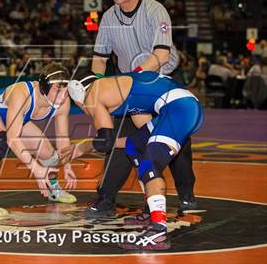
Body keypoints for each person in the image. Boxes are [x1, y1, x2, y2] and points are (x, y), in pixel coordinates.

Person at [89, 0, 197, 218]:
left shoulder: (155, 10)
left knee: (174, 139)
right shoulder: (107, 17)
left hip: (162, 80)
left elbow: (161, 54)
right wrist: (95, 84)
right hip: (129, 86)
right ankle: (105, 198)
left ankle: (186, 194)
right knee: (120, 136)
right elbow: (99, 59)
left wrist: (135, 76)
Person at [63, 69, 203, 250]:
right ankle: (151, 211)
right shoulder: (121, 91)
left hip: (179, 108)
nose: (83, 109)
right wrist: (82, 147)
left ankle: (158, 233)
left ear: (77, 90)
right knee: (134, 147)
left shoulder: (93, 93)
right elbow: (136, 137)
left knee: (150, 164)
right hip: (181, 106)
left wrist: (82, 147)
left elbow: (105, 141)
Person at [0, 63, 77, 217]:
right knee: (0, 139)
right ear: (44, 88)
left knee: (48, 153)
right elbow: (12, 138)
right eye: (58, 90)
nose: (63, 96)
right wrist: (36, 168)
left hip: (17, 117)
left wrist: (67, 165)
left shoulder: (63, 102)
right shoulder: (23, 93)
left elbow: (63, 138)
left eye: (66, 91)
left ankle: (54, 188)